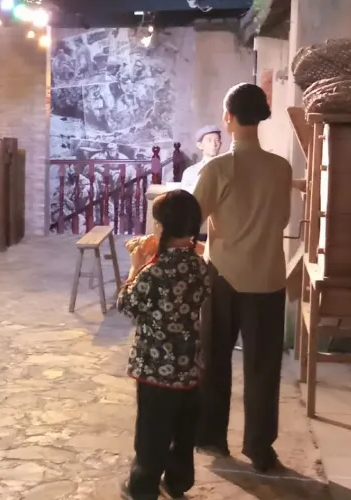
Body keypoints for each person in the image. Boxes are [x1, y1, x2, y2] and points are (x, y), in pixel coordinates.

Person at [193, 83, 293, 473]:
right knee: (264, 367)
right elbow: (281, 220)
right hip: (268, 277)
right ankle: (260, 447)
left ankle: (211, 435)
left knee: (215, 358)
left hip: (223, 276)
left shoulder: (217, 169)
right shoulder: (280, 168)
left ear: (228, 118)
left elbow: (193, 217)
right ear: (261, 117)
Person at [117, 190, 211, 500]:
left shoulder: (153, 272)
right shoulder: (199, 265)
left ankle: (142, 488)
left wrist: (136, 265)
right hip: (188, 365)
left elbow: (127, 305)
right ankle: (177, 482)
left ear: (162, 226)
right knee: (183, 431)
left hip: (155, 369)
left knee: (152, 432)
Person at [181, 125, 223, 192]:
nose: (214, 144)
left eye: (217, 140)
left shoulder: (227, 168)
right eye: (209, 140)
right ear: (199, 145)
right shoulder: (190, 172)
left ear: (220, 143)